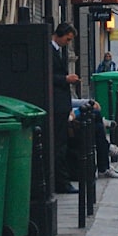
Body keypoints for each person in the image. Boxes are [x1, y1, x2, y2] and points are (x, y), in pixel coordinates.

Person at [51, 22, 81, 194]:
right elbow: (48, 74)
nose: (68, 43)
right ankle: (61, 182)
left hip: (62, 104)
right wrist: (66, 79)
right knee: (59, 145)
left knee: (62, 144)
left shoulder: (56, 51)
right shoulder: (49, 50)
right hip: (56, 105)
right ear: (60, 34)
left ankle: (63, 180)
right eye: (67, 39)